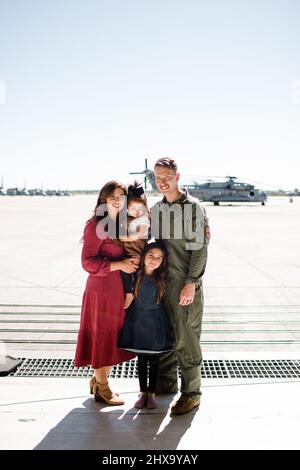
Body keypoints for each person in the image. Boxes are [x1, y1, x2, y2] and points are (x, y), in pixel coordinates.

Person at [152, 157, 210, 416]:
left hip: (185, 283)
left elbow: (199, 250)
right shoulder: (156, 210)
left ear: (177, 176)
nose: (162, 182)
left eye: (166, 176)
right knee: (167, 334)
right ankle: (167, 382)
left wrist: (191, 283)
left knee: (187, 338)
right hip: (163, 284)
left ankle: (192, 393)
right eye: (157, 177)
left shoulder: (194, 208)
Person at [74, 181, 139, 406]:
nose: (116, 199)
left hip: (117, 289)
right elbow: (87, 262)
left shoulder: (120, 225)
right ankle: (103, 388)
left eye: (121, 196)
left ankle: (97, 379)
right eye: (112, 195)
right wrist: (120, 264)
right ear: (103, 198)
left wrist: (128, 290)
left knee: (111, 338)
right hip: (100, 290)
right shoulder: (95, 225)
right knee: (102, 338)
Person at [118, 241, 172, 409]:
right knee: (141, 359)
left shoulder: (163, 278)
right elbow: (124, 274)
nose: (154, 260)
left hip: (156, 322)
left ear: (163, 261)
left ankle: (152, 394)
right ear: (143, 256)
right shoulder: (135, 275)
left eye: (159, 258)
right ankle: (143, 392)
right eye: (150, 255)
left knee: (154, 360)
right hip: (139, 321)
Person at [119, 180, 150, 309]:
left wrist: (124, 238)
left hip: (138, 252)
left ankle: (133, 294)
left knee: (138, 275)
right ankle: (129, 292)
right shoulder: (125, 218)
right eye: (132, 209)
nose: (137, 212)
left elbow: (137, 235)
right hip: (126, 253)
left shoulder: (144, 220)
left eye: (140, 209)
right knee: (124, 271)